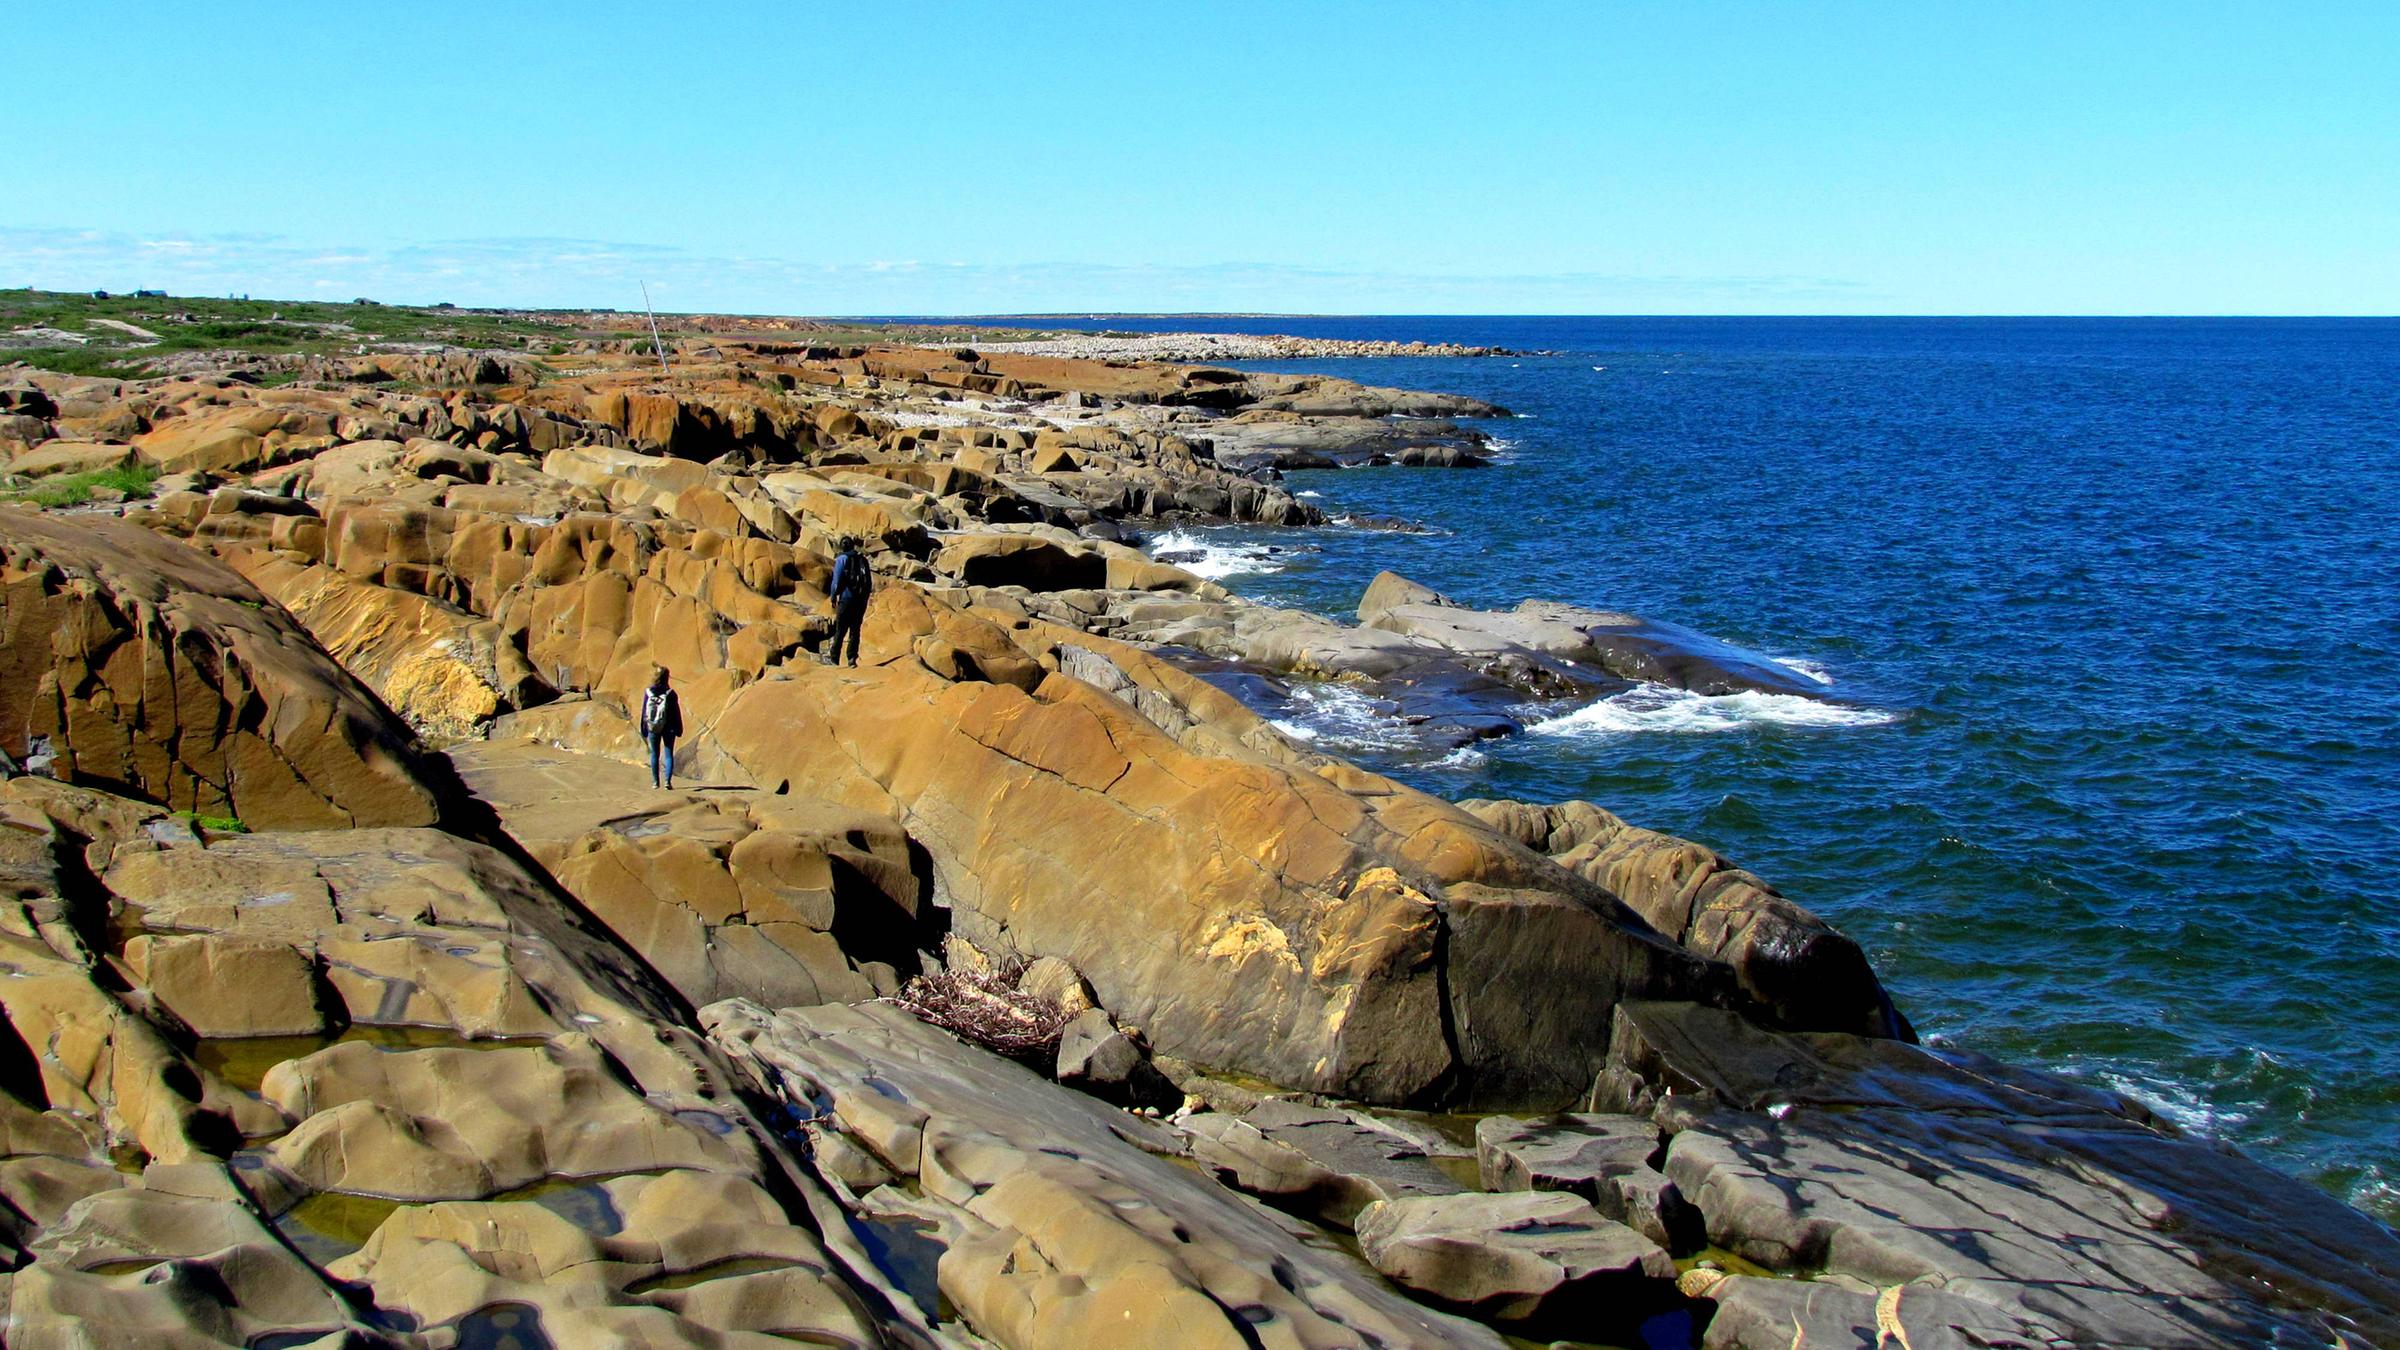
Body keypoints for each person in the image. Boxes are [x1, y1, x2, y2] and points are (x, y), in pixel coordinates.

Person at [827, 536, 872, 667]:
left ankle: (834, 658)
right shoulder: (862, 559)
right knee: (855, 630)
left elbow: (836, 580)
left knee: (840, 629)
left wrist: (833, 596)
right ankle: (852, 658)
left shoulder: (842, 559)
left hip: (846, 598)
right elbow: (869, 582)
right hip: (860, 600)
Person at [638, 667, 682, 789]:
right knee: (668, 754)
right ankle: (667, 781)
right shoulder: (671, 693)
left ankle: (655, 782)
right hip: (669, 728)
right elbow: (676, 712)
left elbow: (644, 711)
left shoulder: (648, 692)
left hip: (653, 726)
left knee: (654, 754)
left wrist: (644, 728)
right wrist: (679, 728)